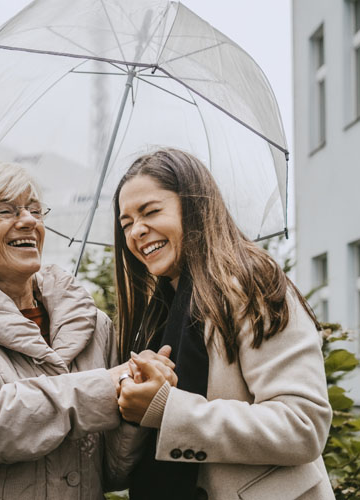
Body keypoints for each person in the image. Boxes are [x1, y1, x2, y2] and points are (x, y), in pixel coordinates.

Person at [0, 162, 153, 499]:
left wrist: (135, 406)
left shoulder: (94, 326)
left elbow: (111, 472)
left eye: (35, 210)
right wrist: (105, 387)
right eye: (5, 210)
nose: (30, 220)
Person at [113, 148, 335, 499]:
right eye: (126, 224)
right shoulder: (158, 311)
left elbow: (302, 426)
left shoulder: (251, 285)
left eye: (151, 211)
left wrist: (166, 408)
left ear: (195, 206)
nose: (137, 231)